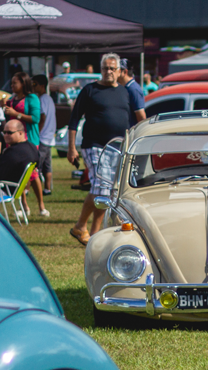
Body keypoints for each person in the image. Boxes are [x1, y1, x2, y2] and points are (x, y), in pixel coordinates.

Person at [67, 53, 131, 245]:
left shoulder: (124, 92)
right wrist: (71, 148)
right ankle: (83, 227)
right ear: (100, 70)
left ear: (119, 71)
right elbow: (74, 120)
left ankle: (91, 232)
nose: (108, 71)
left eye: (112, 68)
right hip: (94, 145)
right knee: (101, 189)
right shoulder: (90, 90)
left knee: (108, 191)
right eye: (105, 68)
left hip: (117, 147)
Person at [3, 72, 48, 216]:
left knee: (32, 174)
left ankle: (41, 206)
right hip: (14, 142)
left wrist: (16, 113)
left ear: (23, 83)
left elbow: (35, 118)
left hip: (29, 141)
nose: (12, 85)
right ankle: (24, 206)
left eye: (15, 83)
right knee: (19, 174)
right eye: (12, 83)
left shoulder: (32, 98)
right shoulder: (11, 100)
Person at [0, 119, 40, 190]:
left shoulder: (13, 152)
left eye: (9, 133)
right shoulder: (32, 147)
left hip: (2, 188)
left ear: (20, 133)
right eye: (4, 132)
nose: (6, 135)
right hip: (15, 188)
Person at [32, 74, 55, 195]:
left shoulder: (42, 99)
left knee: (36, 166)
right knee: (47, 166)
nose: (33, 86)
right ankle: (47, 188)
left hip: (42, 137)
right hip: (49, 138)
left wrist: (37, 133)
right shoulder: (49, 99)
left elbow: (42, 117)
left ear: (42, 86)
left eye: (34, 84)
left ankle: (31, 189)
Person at [118, 58, 147, 126]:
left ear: (124, 72)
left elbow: (141, 117)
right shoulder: (126, 87)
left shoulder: (133, 89)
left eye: (117, 70)